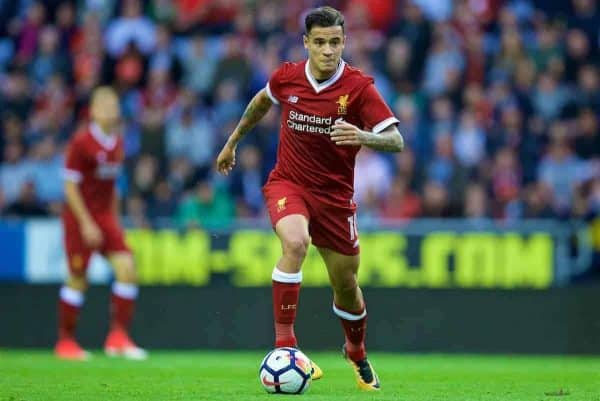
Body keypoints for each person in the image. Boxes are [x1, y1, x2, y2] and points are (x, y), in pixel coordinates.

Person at [216, 6, 403, 391]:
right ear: (306, 43)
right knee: (295, 243)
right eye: (319, 42)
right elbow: (261, 102)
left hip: (335, 200)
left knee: (347, 285)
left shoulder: (358, 88)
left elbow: (396, 140)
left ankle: (356, 351)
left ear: (343, 42)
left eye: (335, 42)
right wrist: (233, 141)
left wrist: (362, 136)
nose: (328, 50)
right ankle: (286, 345)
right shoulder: (287, 77)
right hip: (290, 184)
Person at [55, 87, 147, 360]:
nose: (111, 109)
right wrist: (86, 223)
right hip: (79, 217)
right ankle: (65, 341)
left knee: (127, 268)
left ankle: (118, 338)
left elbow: (112, 187)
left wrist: (114, 222)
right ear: (93, 111)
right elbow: (70, 187)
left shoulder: (117, 143)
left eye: (114, 104)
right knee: (78, 278)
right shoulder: (81, 143)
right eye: (105, 105)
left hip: (105, 217)